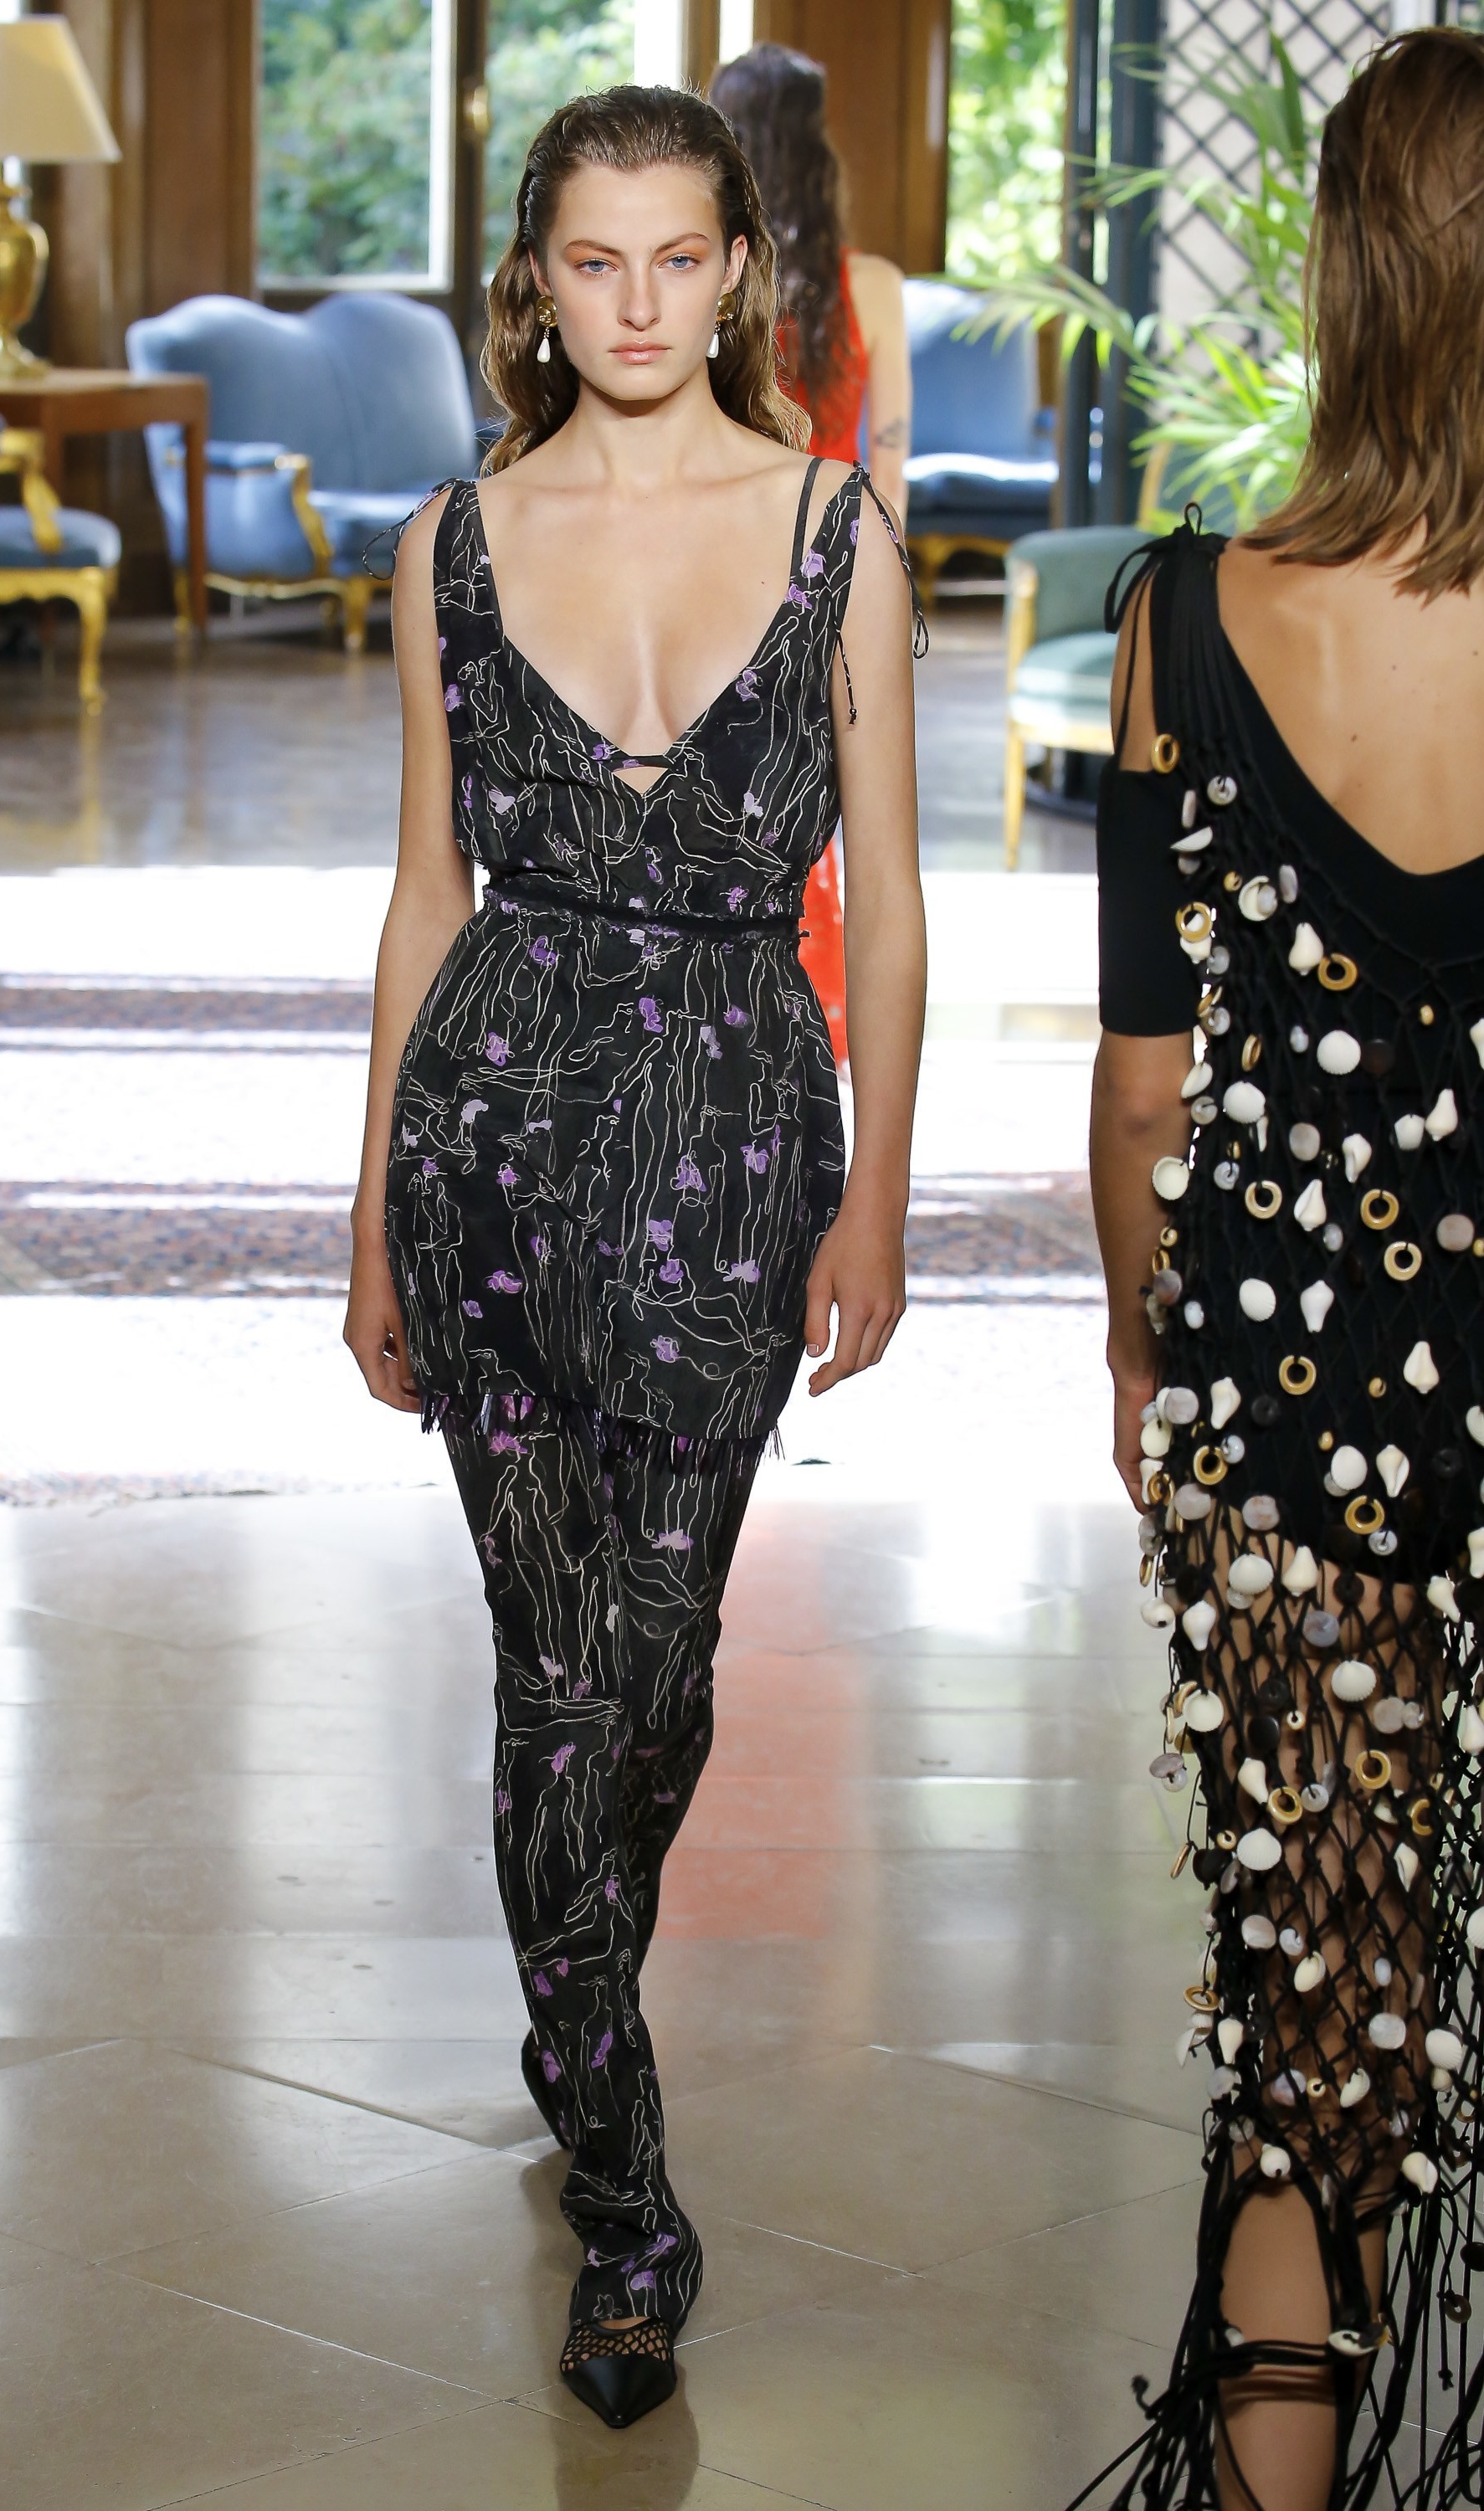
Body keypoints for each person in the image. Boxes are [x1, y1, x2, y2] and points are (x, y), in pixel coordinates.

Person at [344, 84, 927, 2432]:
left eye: (680, 257)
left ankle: (565, 1983)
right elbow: (424, 896)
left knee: (653, 1674)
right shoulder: (453, 544)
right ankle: (629, 2188)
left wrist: (880, 1192)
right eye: (594, 262)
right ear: (535, 279)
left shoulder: (832, 535)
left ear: (741, 270)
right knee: (553, 1671)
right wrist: (369, 1218)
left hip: (735, 1146)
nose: (639, 304)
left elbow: (890, 900)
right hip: (491, 1142)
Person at [1083, 30, 1484, 2509]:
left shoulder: (1187, 619)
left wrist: (1145, 1353)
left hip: (1282, 1394)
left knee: (1312, 2004)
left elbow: (1145, 1086)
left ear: (1341, 278)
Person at [711, 41, 914, 1072]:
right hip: (831, 566)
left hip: (719, 559)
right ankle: (810, 1022)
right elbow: (888, 460)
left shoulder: (710, 282)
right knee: (827, 804)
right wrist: (882, 595)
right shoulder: (869, 285)